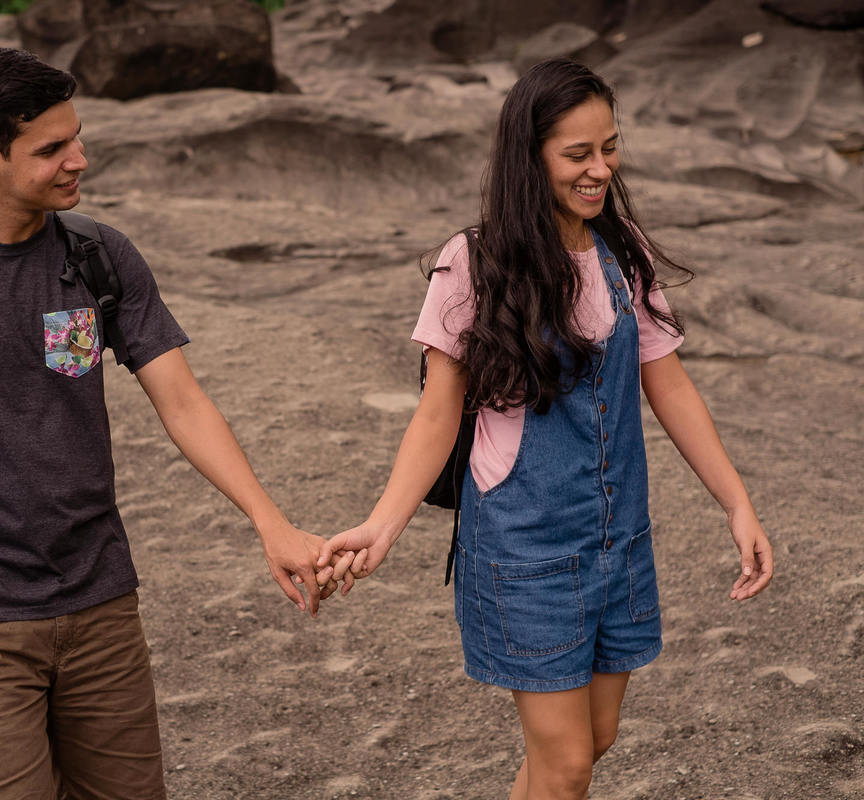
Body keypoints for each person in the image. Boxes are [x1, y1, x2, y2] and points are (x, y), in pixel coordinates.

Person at [0, 47, 351, 800]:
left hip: (102, 600)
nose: (79, 159)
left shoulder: (97, 257)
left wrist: (268, 521)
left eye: (76, 136)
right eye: (51, 149)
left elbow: (181, 399)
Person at [318, 59, 774, 800]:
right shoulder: (471, 262)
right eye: (577, 154)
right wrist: (382, 526)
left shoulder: (622, 246)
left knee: (592, 744)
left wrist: (736, 501)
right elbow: (438, 412)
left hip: (619, 538)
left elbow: (668, 382)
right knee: (565, 768)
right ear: (528, 155)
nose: (600, 169)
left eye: (610, 147)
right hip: (525, 546)